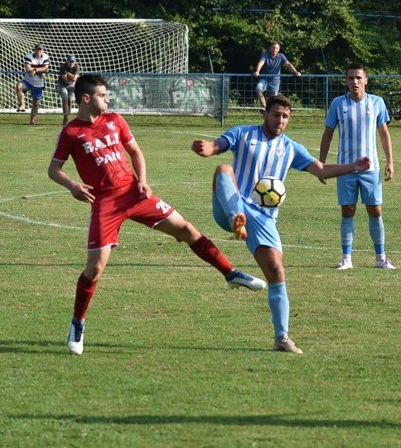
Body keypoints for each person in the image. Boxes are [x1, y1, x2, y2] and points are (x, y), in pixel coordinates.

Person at [48, 74, 266, 356]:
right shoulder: (71, 133)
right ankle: (78, 322)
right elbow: (54, 170)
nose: (108, 99)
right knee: (95, 267)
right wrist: (72, 185)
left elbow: (136, 152)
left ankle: (230, 273)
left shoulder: (115, 120)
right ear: (87, 98)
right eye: (103, 95)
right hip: (105, 204)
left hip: (134, 194)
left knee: (187, 229)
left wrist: (143, 179)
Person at [191, 95, 370, 354]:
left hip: (264, 216)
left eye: (285, 116)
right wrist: (208, 148)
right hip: (232, 204)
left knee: (276, 271)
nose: (280, 120)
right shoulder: (243, 133)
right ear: (265, 114)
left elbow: (320, 170)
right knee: (223, 169)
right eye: (275, 114)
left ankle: (282, 338)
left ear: (289, 120)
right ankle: (236, 220)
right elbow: (219, 145)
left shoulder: (291, 148)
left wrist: (352, 167)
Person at [319, 62, 395, 270]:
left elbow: (384, 133)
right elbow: (328, 134)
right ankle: (346, 258)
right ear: (346, 81)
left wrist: (390, 161)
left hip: (371, 169)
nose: (355, 81)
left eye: (358, 77)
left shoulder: (377, 102)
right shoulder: (338, 104)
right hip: (346, 169)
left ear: (366, 80)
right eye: (351, 78)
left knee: (375, 210)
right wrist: (322, 164)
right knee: (348, 210)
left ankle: (380, 258)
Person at [252, 41, 301, 109]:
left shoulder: (281, 56)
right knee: (258, 89)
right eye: (273, 48)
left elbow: (288, 64)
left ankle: (270, 111)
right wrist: (257, 71)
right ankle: (264, 107)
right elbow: (261, 63)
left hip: (275, 81)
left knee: (273, 99)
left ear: (279, 49)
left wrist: (296, 72)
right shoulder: (265, 54)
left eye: (276, 48)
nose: (274, 49)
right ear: (269, 48)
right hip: (264, 79)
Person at [16, 44, 49, 125]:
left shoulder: (45, 57)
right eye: (37, 49)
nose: (39, 51)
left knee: (36, 103)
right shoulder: (29, 56)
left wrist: (35, 70)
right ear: (34, 50)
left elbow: (45, 68)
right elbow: (28, 68)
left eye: (40, 49)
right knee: (19, 86)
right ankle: (22, 105)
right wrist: (37, 70)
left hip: (39, 83)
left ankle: (32, 122)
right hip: (28, 81)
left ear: (43, 50)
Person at [57, 53, 80, 125]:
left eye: (72, 61)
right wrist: (72, 77)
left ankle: (68, 114)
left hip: (72, 84)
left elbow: (74, 79)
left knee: (70, 100)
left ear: (75, 62)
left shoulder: (77, 66)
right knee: (65, 98)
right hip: (62, 84)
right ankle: (65, 117)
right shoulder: (63, 66)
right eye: (70, 61)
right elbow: (66, 80)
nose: (71, 63)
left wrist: (69, 74)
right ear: (67, 61)